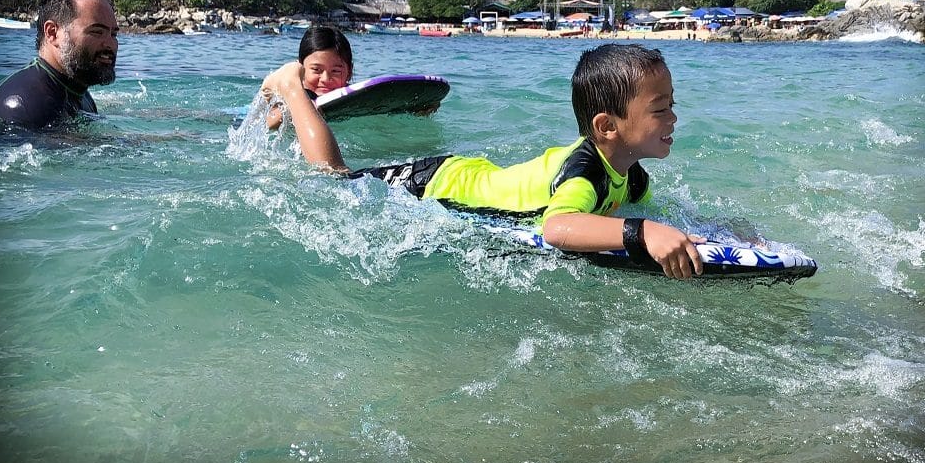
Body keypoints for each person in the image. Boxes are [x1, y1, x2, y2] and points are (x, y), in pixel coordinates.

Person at [261, 44, 703, 278]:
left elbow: (644, 210)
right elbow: (559, 227)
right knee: (333, 179)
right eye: (660, 109)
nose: (674, 117)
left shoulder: (633, 175)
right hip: (436, 185)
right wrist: (641, 232)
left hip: (467, 174)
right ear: (608, 127)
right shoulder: (585, 170)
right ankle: (292, 88)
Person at [0, 0, 119, 129]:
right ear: (53, 33)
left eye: (114, 34)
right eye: (96, 32)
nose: (110, 44)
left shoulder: (78, 92)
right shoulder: (22, 107)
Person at [266, 26, 353, 130]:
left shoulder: (355, 98)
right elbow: (270, 123)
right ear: (300, 70)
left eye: (335, 71)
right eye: (316, 70)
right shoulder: (292, 95)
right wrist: (302, 107)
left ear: (349, 72)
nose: (325, 79)